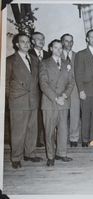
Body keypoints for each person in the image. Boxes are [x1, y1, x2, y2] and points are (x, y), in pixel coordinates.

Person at [6, 33, 42, 169]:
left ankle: (30, 154)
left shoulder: (34, 59)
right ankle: (16, 157)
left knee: (32, 129)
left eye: (28, 42)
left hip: (33, 100)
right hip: (18, 101)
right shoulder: (10, 60)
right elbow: (5, 83)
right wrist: (13, 97)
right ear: (17, 44)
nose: (26, 44)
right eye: (23, 42)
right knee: (18, 131)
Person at [39, 39, 75, 167]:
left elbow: (71, 82)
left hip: (64, 102)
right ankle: (50, 156)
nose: (58, 50)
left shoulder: (67, 64)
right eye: (56, 48)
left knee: (63, 130)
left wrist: (64, 95)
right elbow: (43, 84)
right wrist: (56, 98)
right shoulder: (44, 63)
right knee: (49, 131)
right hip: (50, 102)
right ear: (50, 49)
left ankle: (62, 153)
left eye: (60, 48)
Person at [29, 31, 50, 148]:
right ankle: (34, 141)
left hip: (46, 92)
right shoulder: (28, 54)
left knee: (44, 116)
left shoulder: (48, 55)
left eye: (43, 39)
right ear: (32, 41)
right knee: (34, 117)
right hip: (33, 91)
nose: (41, 41)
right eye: (38, 39)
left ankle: (43, 140)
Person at [61, 33, 81, 147]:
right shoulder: (57, 55)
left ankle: (74, 138)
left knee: (75, 114)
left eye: (71, 41)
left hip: (74, 89)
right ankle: (61, 138)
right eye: (67, 41)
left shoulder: (77, 56)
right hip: (61, 90)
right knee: (62, 115)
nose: (69, 43)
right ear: (62, 42)